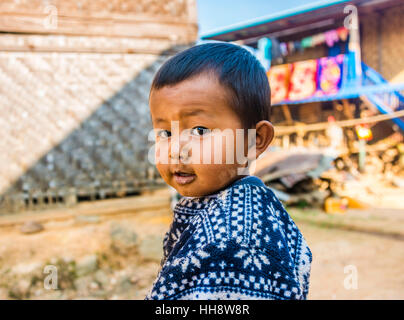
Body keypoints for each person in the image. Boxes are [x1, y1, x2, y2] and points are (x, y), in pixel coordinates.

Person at [145, 42, 312, 300]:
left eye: (199, 130)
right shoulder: (224, 208)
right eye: (165, 133)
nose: (175, 149)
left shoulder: (235, 243)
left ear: (255, 139)